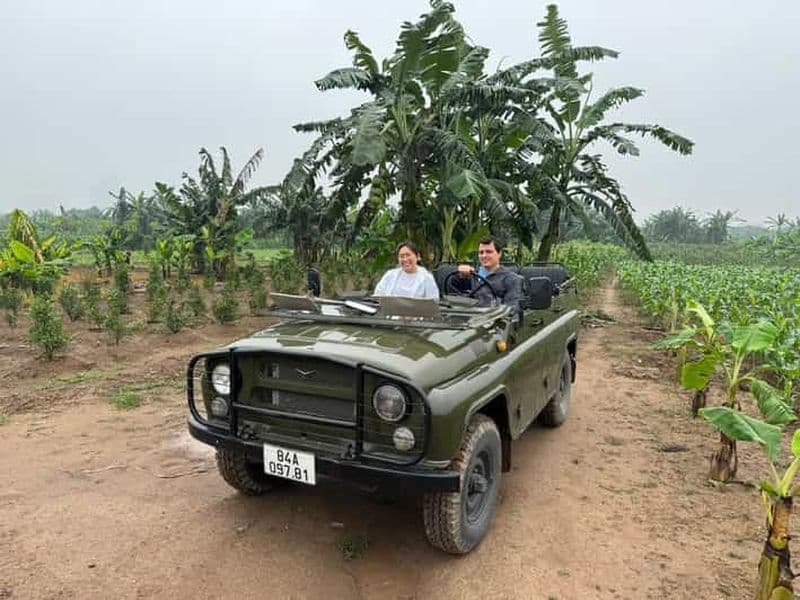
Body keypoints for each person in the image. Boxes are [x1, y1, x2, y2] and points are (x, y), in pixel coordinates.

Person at [457, 236, 522, 315]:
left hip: (493, 322)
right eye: (481, 252)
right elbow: (451, 295)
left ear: (499, 253)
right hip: (468, 319)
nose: (484, 256)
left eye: (489, 252)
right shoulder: (471, 274)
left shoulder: (511, 279)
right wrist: (460, 274)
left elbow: (512, 309)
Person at [374, 241, 440, 300]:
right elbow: (377, 296)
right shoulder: (390, 275)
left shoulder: (427, 278)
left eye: (408, 255)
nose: (405, 259)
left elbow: (433, 303)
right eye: (401, 256)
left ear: (418, 256)